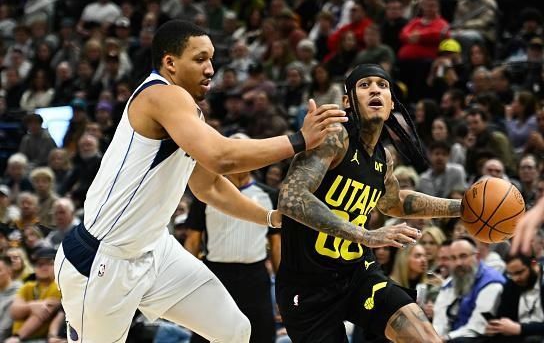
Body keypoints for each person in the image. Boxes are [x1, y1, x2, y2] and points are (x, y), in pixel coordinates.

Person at [54, 19, 347, 343]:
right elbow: (221, 157)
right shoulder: (160, 96)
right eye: (200, 59)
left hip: (155, 250)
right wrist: (299, 140)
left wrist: (269, 217)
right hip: (102, 260)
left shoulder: (189, 114)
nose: (210, 69)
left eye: (211, 59)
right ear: (170, 63)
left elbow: (208, 185)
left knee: (234, 331)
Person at [276, 63, 464, 343]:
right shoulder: (334, 136)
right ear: (347, 101)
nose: (375, 89)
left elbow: (394, 202)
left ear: (391, 105)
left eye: (382, 85)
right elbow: (290, 199)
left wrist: (461, 208)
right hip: (308, 285)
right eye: (364, 85)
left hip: (357, 273)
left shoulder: (383, 158)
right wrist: (365, 235)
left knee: (425, 337)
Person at [184, 132, 281, 343]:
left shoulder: (269, 195)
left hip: (255, 275)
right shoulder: (206, 192)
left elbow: (276, 244)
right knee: (205, 335)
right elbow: (193, 239)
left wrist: (282, 285)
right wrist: (185, 281)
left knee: (261, 336)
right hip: (215, 274)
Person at [432, 237, 505, 342]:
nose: (458, 263)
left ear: (478, 256)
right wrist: (434, 338)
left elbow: (477, 326)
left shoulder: (491, 283)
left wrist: (446, 338)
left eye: (463, 256)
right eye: (453, 258)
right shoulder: (452, 282)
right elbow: (440, 320)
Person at [485, 254, 544, 342]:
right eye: (510, 274)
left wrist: (520, 329)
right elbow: (504, 316)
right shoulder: (511, 285)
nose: (516, 278)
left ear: (533, 265)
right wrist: (495, 327)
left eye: (519, 272)